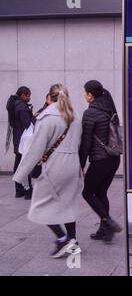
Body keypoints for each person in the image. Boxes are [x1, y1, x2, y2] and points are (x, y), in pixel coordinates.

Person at [12, 84, 83, 259]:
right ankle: (73, 241)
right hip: (72, 164)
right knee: (68, 204)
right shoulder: (74, 117)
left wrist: (20, 175)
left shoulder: (47, 118)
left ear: (49, 98)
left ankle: (62, 238)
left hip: (54, 166)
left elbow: (36, 149)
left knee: (39, 205)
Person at [79, 80, 122, 242]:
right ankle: (105, 231)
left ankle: (108, 221)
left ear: (90, 95)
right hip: (114, 158)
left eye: (85, 92)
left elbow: (86, 142)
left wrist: (81, 164)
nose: (84, 95)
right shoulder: (109, 108)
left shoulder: (90, 113)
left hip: (100, 160)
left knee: (87, 192)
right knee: (100, 192)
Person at [6, 86, 33, 199]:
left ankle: (19, 190)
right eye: (28, 95)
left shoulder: (14, 104)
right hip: (23, 139)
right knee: (24, 164)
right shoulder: (21, 106)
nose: (29, 97)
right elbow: (27, 124)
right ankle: (27, 191)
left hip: (18, 138)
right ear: (22, 95)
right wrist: (33, 116)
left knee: (18, 163)